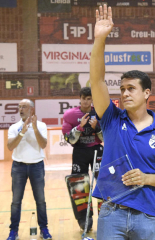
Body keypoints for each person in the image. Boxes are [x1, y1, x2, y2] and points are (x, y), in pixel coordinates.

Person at [90, 4, 155, 240]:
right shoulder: (111, 119)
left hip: (148, 216)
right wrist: (100, 39)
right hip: (112, 214)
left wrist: (147, 178)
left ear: (147, 93)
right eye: (122, 89)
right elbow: (97, 81)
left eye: (131, 88)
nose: (124, 93)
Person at [6, 99, 52, 240]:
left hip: (37, 166)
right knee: (16, 201)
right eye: (19, 106)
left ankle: (44, 229)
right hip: (18, 167)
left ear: (31, 109)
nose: (20, 109)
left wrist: (34, 128)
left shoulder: (42, 125)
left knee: (40, 200)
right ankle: (13, 231)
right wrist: (22, 132)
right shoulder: (14, 127)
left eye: (24, 107)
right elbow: (10, 146)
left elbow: (43, 144)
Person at [62, 87, 104, 231]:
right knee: (79, 185)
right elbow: (69, 140)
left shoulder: (99, 113)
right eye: (84, 98)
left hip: (97, 150)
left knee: (103, 182)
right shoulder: (70, 115)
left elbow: (107, 137)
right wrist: (79, 128)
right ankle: (84, 219)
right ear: (79, 98)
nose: (86, 102)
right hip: (79, 151)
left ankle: (105, 216)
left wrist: (97, 128)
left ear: (92, 100)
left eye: (89, 99)